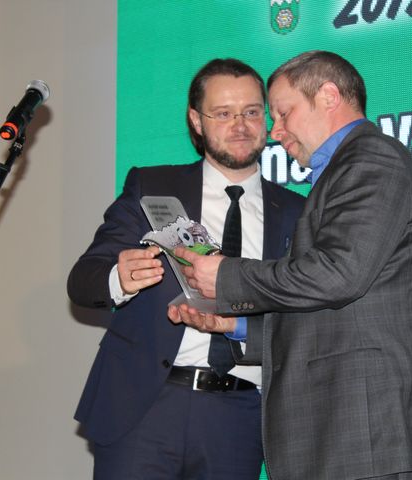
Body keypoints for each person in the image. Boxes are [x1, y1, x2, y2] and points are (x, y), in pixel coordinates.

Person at [169, 50, 412, 479]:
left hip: (371, 434)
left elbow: (338, 275)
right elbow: (334, 312)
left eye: (283, 113)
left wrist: (226, 275)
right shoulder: (346, 169)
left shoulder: (371, 160)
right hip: (354, 436)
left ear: (328, 96)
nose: (275, 131)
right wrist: (239, 326)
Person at [67, 58, 304, 479]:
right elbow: (84, 280)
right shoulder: (151, 187)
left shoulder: (297, 211)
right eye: (223, 113)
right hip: (145, 407)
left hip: (240, 417)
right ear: (196, 120)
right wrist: (118, 279)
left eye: (251, 112)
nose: (240, 125)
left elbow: (303, 320)